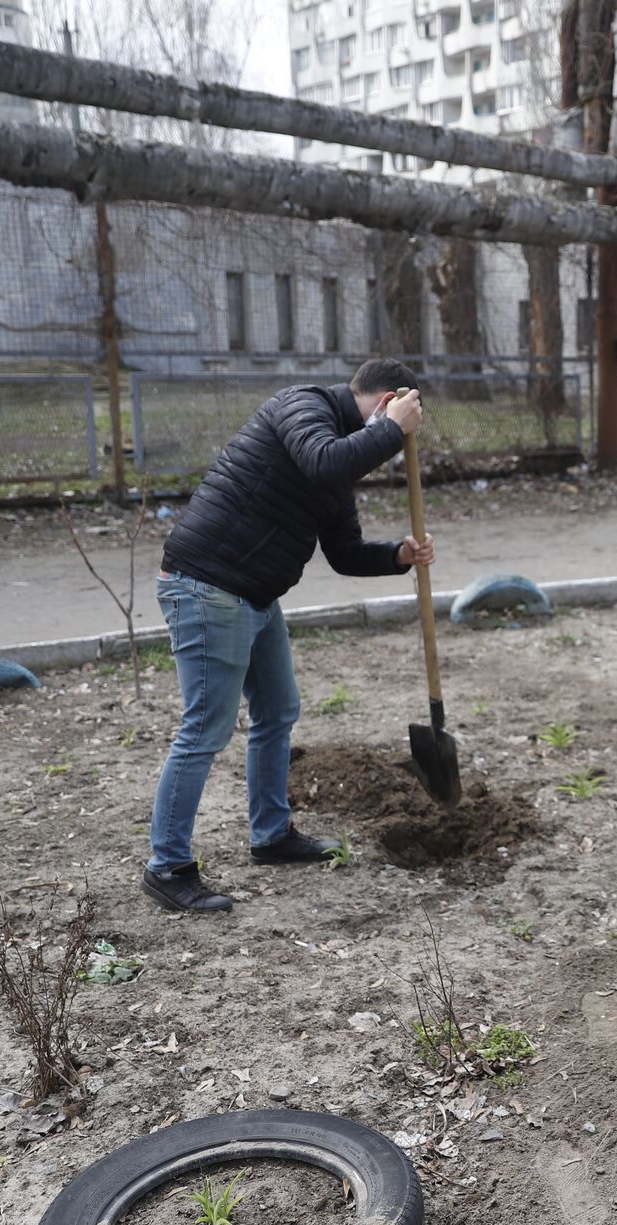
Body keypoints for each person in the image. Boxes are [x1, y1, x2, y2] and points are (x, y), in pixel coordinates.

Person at [141, 358, 432, 913]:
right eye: (400, 417)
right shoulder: (304, 406)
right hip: (207, 586)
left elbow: (344, 553)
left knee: (278, 711)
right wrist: (391, 429)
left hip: (253, 595)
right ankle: (167, 865)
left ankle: (271, 836)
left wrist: (398, 555)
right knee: (205, 728)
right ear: (389, 398)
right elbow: (324, 463)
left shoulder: (338, 453)